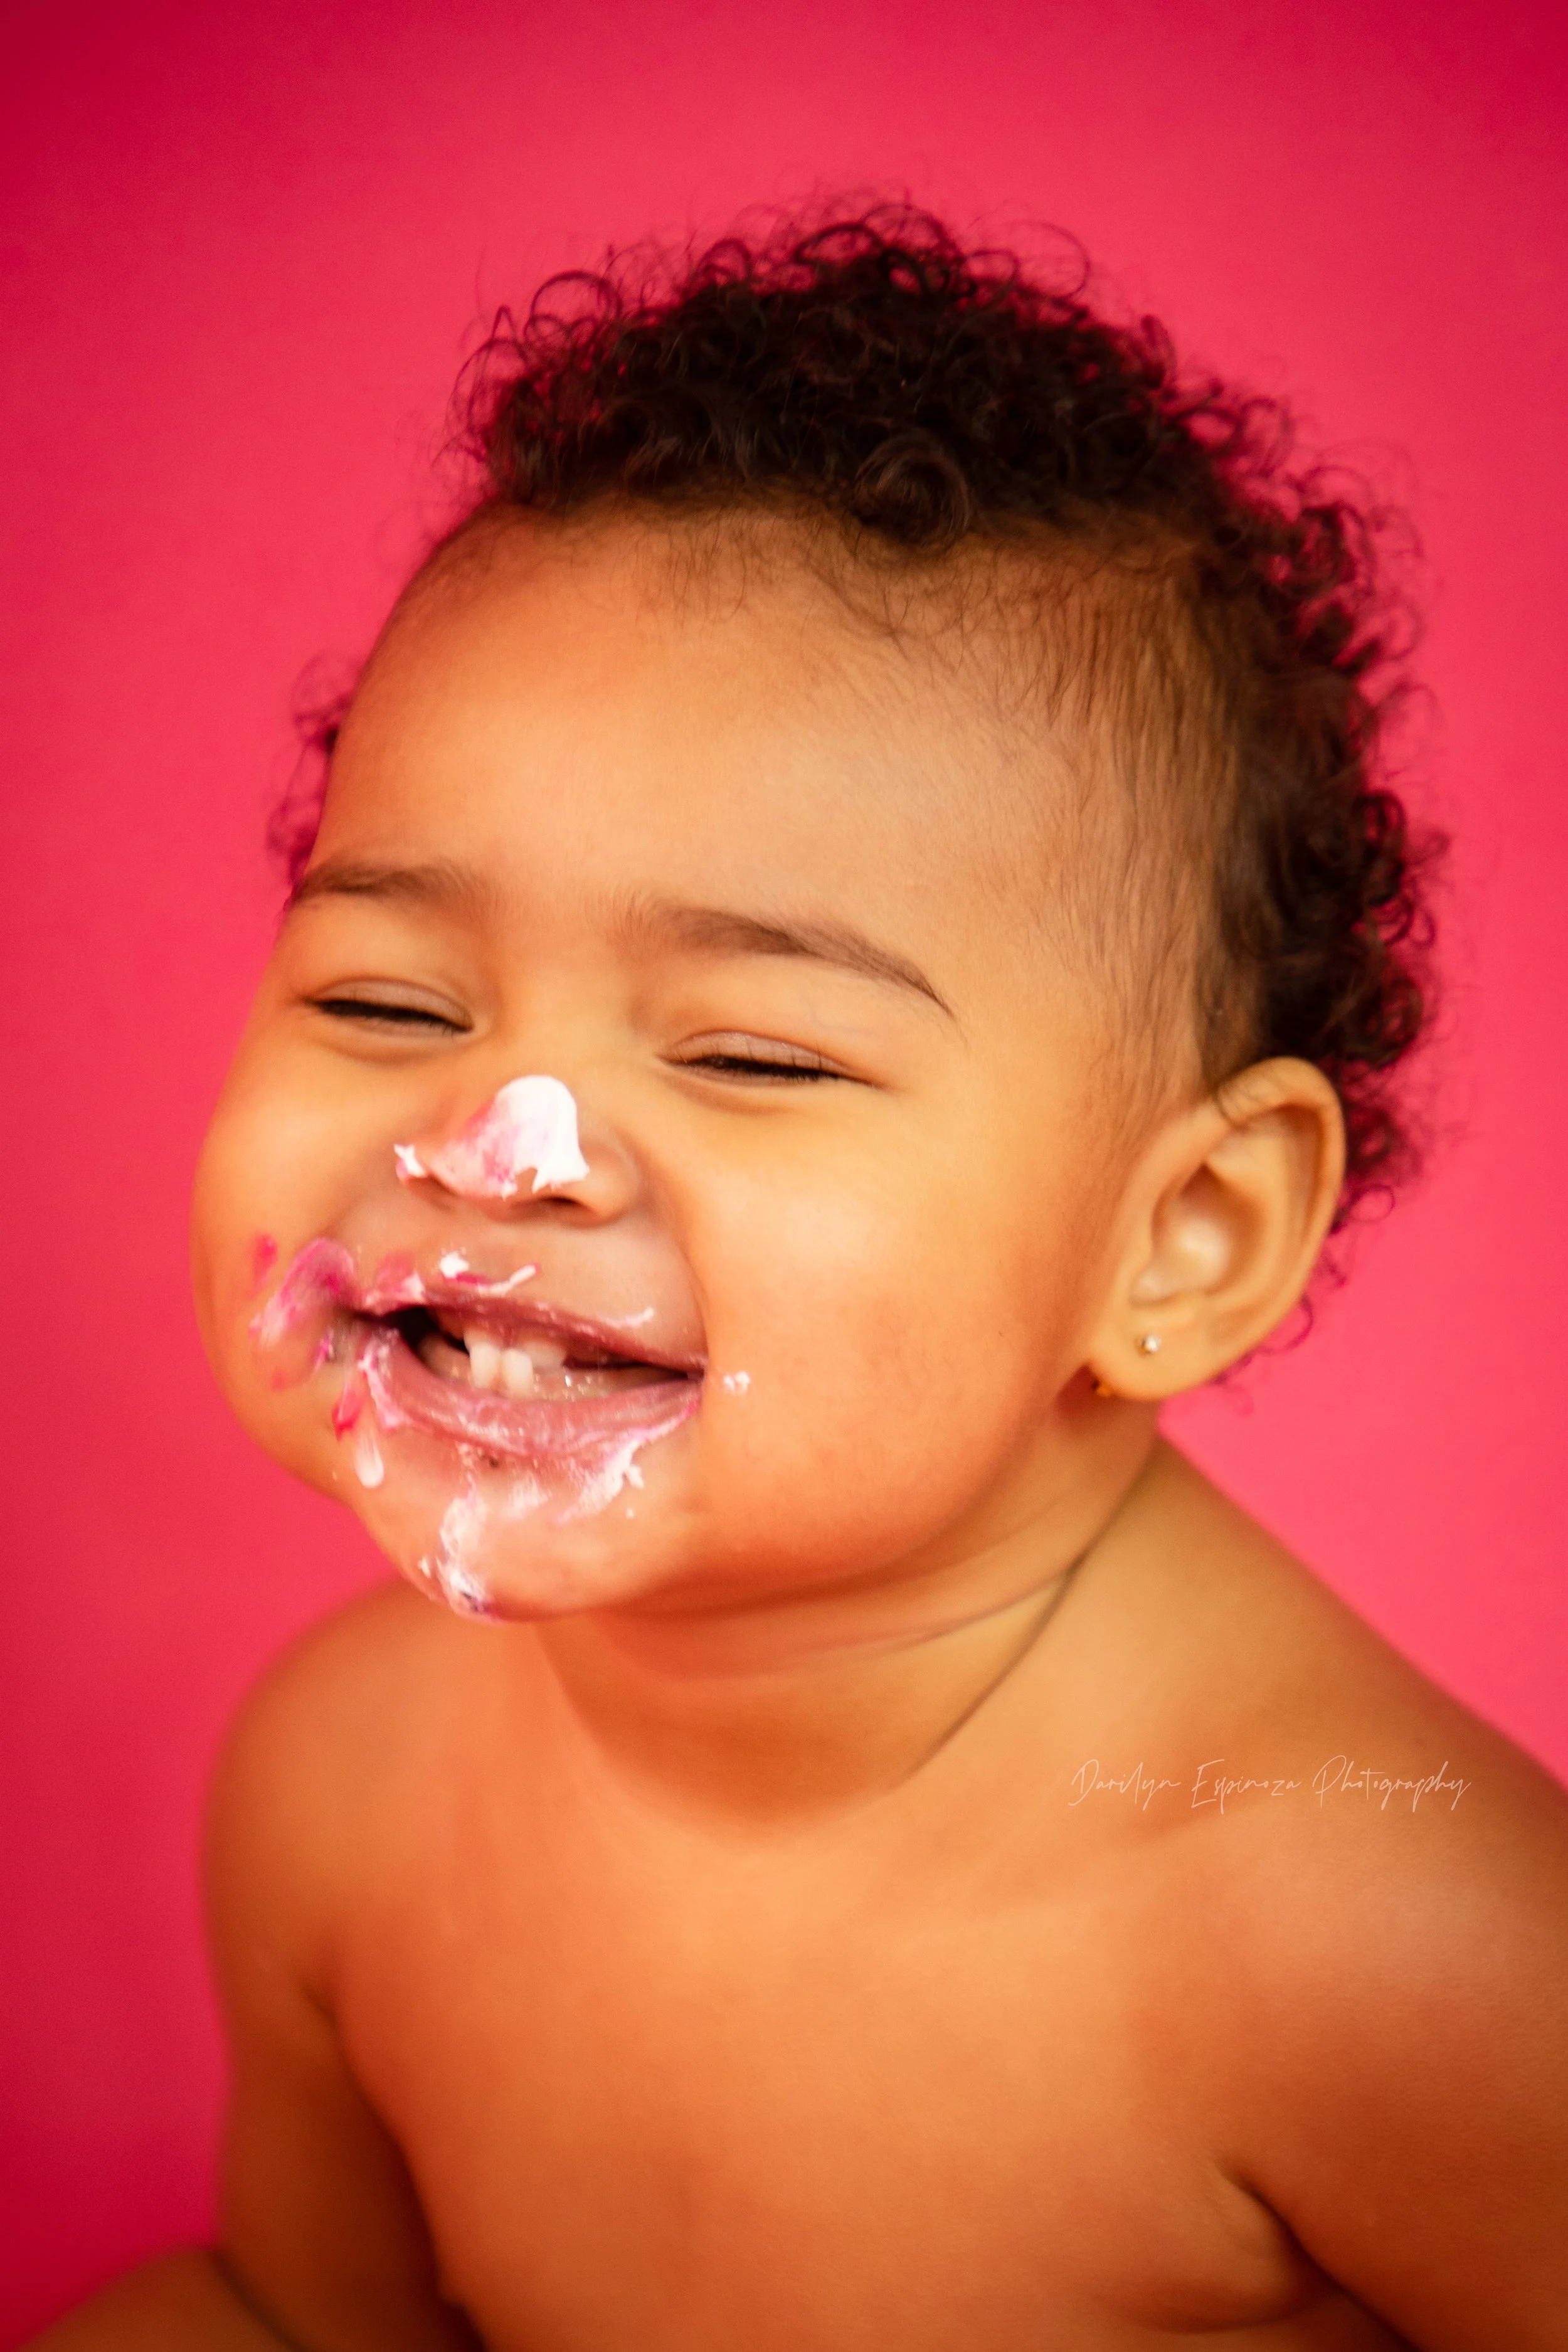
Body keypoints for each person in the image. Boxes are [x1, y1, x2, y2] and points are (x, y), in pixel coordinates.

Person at [36, 211, 1568, 2351]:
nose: (501, 1144)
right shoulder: (342, 1796)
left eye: (752, 1049)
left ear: (1181, 1239)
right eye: (389, 999)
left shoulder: (1382, 1942)